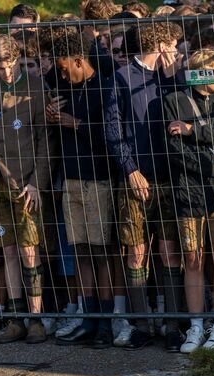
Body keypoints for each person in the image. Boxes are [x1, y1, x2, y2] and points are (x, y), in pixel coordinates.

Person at [108, 22, 184, 350]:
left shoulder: (170, 78)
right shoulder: (122, 77)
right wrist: (130, 170)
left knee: (168, 250)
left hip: (167, 177)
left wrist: (171, 78)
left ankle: (173, 324)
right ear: (161, 44)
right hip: (136, 179)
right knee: (136, 251)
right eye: (173, 45)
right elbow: (113, 128)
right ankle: (140, 323)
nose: (177, 52)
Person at [164, 49, 214, 353]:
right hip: (188, 191)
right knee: (193, 260)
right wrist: (213, 165)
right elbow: (175, 149)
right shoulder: (173, 102)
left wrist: (193, 130)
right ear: (201, 75)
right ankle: (196, 326)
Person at [46, 32, 120, 348]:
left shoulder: (103, 86)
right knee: (80, 251)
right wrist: (50, 109)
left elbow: (109, 135)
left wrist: (73, 123)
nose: (61, 75)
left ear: (79, 60)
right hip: (71, 180)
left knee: (100, 251)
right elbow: (49, 76)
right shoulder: (62, 86)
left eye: (65, 68)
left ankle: (105, 322)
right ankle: (88, 319)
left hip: (98, 180)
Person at [0, 34, 54, 344]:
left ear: (18, 59)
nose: (6, 72)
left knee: (28, 250)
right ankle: (15, 316)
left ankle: (36, 318)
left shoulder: (36, 88)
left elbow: (45, 141)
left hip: (26, 182)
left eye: (10, 65)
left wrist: (37, 182)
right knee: (7, 249)